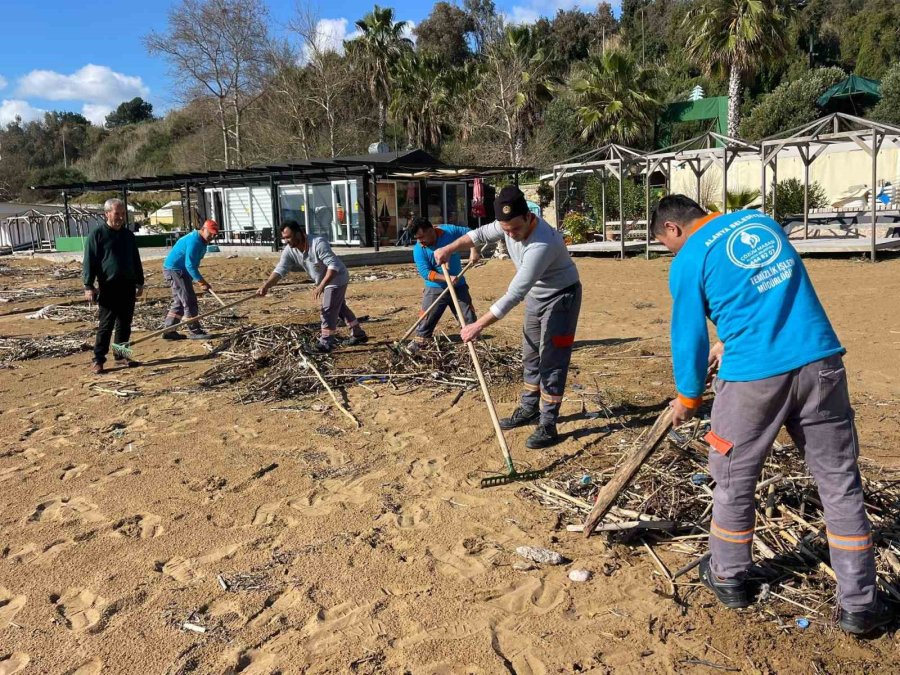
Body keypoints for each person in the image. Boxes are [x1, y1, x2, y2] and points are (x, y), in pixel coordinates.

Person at [651, 194, 894, 635]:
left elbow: (687, 337)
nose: (674, 252)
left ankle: (729, 578)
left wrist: (688, 399)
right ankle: (860, 604)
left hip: (753, 382)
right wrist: (730, 338)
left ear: (672, 229)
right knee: (840, 483)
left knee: (732, 480)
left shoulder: (688, 261)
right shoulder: (760, 223)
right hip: (820, 363)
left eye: (670, 244)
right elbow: (766, 292)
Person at [434, 186, 581, 449]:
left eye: (514, 228)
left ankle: (548, 423)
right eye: (506, 230)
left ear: (528, 217)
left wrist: (477, 325)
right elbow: (478, 234)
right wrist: (450, 249)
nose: (510, 235)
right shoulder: (505, 226)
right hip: (537, 295)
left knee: (552, 359)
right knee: (530, 353)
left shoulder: (542, 243)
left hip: (562, 297)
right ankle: (529, 408)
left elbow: (514, 293)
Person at [256, 220, 367, 352]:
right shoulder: (290, 251)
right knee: (340, 308)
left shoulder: (318, 243)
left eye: (289, 237)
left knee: (328, 309)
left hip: (337, 277)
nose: (286, 241)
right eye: (284, 238)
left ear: (299, 233)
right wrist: (266, 285)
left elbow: (333, 265)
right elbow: (280, 270)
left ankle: (326, 342)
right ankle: (358, 333)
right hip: (323, 280)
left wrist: (321, 286)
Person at [82, 198, 144, 374]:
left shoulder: (128, 236)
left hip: (128, 287)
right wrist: (88, 285)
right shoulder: (97, 235)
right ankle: (98, 359)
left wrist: (140, 282)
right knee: (106, 325)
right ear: (107, 214)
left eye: (123, 214)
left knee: (125, 324)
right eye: (117, 213)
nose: (120, 217)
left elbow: (135, 260)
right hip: (108, 287)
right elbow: (89, 261)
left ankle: (121, 355)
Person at [407, 217, 480, 353]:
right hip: (435, 288)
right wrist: (446, 278)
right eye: (417, 238)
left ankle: (474, 344)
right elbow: (426, 273)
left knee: (468, 316)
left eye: (422, 237)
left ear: (431, 230)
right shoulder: (419, 249)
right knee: (425, 320)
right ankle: (421, 342)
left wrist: (473, 251)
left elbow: (472, 233)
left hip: (459, 285)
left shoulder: (449, 231)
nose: (420, 241)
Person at [161, 219, 219, 340]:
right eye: (211, 233)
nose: (212, 237)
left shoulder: (201, 240)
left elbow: (193, 263)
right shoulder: (195, 241)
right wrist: (201, 281)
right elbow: (190, 265)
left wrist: (195, 277)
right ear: (203, 230)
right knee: (189, 300)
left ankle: (169, 329)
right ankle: (195, 331)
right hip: (176, 270)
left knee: (179, 302)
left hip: (179, 270)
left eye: (215, 234)